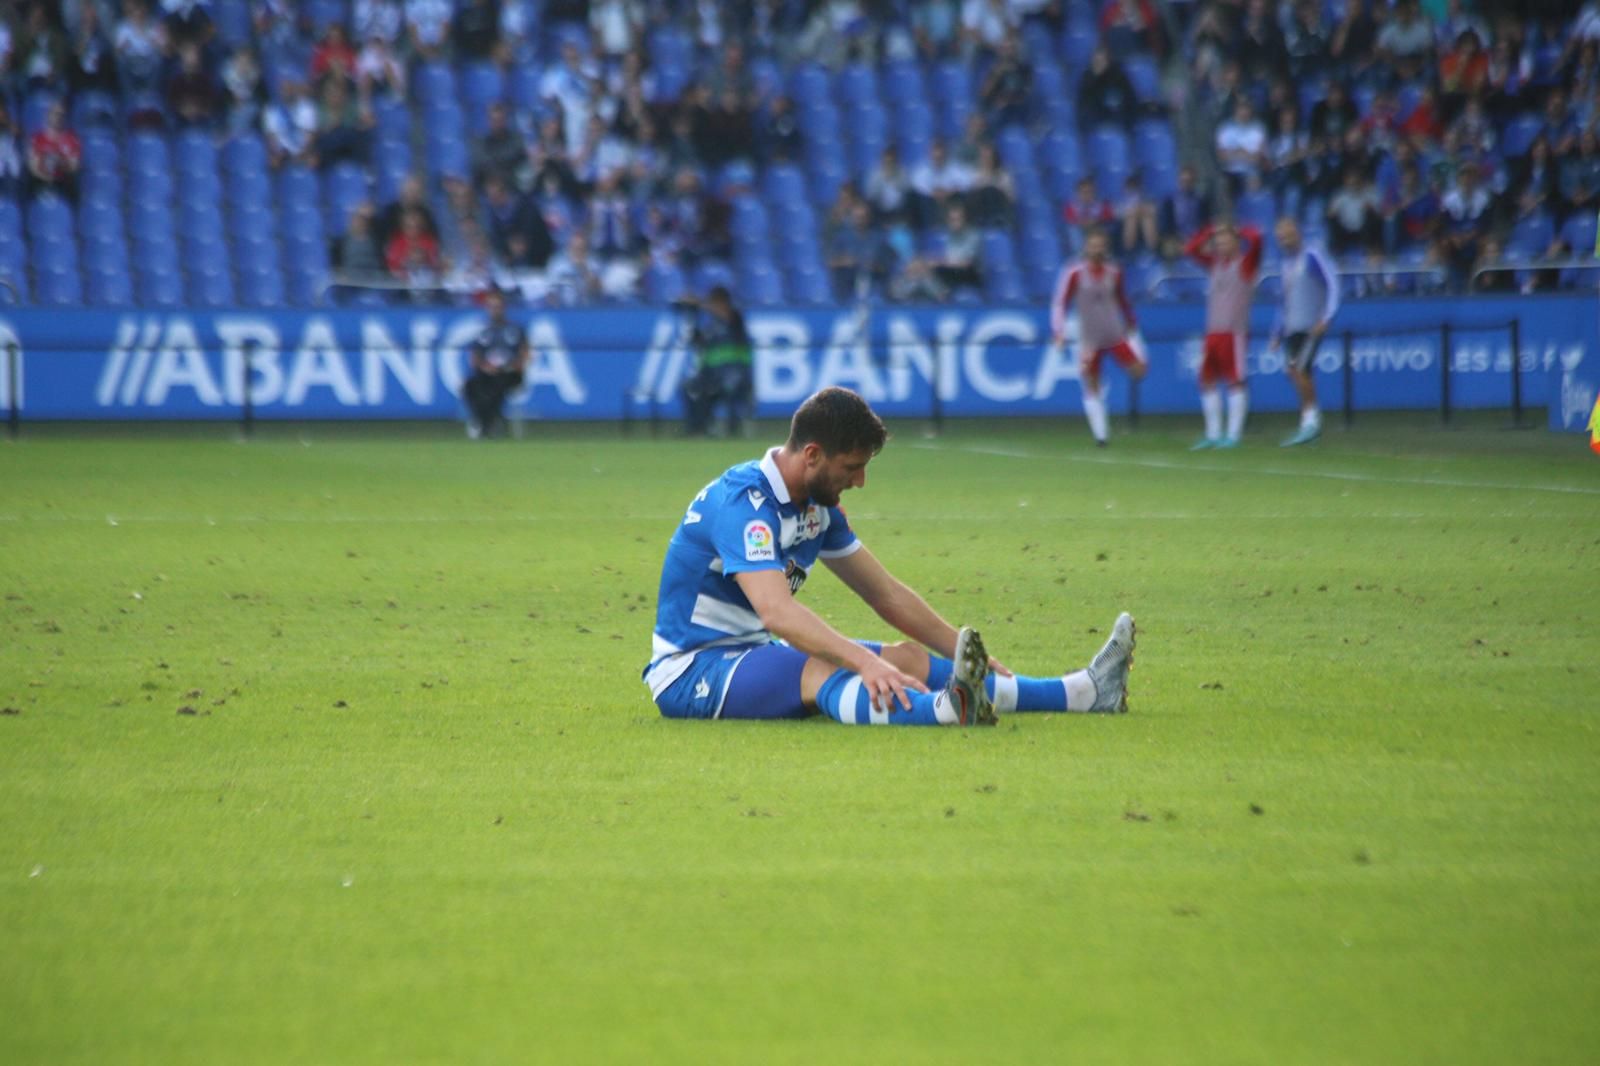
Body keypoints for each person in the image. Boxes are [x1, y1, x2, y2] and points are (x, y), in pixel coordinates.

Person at [642, 386, 1138, 725]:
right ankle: (946, 712)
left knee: (908, 659)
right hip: (692, 670)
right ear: (812, 455)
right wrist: (863, 662)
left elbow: (885, 595)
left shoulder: (817, 505)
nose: (859, 481)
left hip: (750, 652)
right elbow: (778, 612)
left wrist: (965, 653)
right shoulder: (744, 506)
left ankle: (1084, 693)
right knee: (825, 670)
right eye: (852, 467)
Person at [1050, 228, 1147, 447]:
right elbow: (1060, 303)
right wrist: (1059, 332)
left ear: (1105, 247)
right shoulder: (1074, 272)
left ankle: (1106, 412)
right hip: (1089, 338)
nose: (1097, 249)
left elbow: (1123, 300)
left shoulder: (1114, 272)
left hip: (1114, 333)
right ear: (1086, 246)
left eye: (1100, 245)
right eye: (1093, 245)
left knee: (1139, 370)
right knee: (1091, 383)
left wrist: (1131, 322)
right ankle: (1101, 435)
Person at [1183, 222, 1263, 449]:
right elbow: (1190, 250)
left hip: (1234, 331)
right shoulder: (1215, 264)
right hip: (1213, 331)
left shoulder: (1246, 264)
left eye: (1226, 241)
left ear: (1236, 242)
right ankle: (1213, 433)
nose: (1220, 245)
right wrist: (1209, 230)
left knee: (1235, 380)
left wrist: (1238, 229)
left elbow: (1257, 239)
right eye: (1218, 242)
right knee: (1206, 380)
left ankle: (1234, 434)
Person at [1270, 217, 1340, 447]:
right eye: (1281, 236)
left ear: (1298, 233)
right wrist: (1277, 332)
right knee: (1292, 370)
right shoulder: (1285, 265)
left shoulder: (1312, 256)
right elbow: (1284, 301)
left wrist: (1327, 316)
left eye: (1288, 233)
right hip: (1293, 327)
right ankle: (1309, 419)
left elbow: (1332, 283)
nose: (1285, 239)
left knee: (1301, 369)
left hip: (1311, 325)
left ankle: (1311, 423)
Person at [679, 286, 754, 438]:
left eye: (714, 303)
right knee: (688, 388)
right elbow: (698, 342)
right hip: (711, 374)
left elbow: (728, 316)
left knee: (718, 389)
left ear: (723, 303)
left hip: (734, 374)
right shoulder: (711, 325)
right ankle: (697, 429)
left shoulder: (735, 320)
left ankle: (729, 430)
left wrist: (699, 304)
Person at [462, 287, 529, 439]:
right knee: (470, 386)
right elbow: (475, 356)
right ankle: (486, 421)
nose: (494, 310)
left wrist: (508, 366)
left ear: (504, 308)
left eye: (497, 306)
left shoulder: (515, 329)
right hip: (487, 372)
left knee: (497, 385)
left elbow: (525, 355)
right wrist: (485, 367)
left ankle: (485, 423)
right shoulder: (484, 331)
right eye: (491, 307)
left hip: (510, 373)